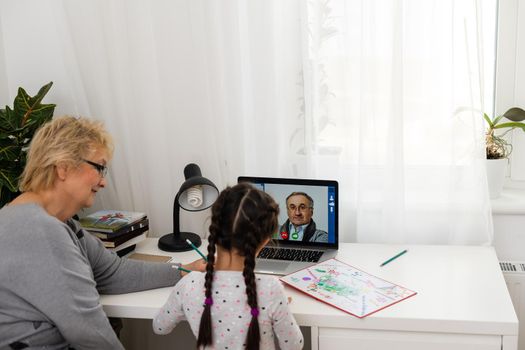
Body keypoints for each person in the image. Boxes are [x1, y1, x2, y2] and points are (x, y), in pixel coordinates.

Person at [0, 116, 206, 350]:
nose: (103, 182)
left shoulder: (56, 223)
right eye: (99, 168)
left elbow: (112, 273)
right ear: (63, 167)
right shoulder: (41, 232)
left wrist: (182, 271)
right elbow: (89, 333)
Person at [153, 183, 304, 350]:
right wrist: (278, 305)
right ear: (264, 242)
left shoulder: (188, 285)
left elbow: (160, 327)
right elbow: (293, 346)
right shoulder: (270, 290)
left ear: (214, 233)